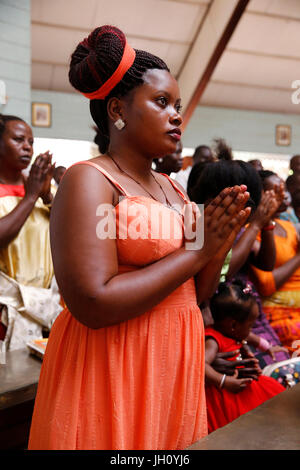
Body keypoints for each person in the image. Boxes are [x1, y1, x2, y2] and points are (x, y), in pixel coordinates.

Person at [28, 25, 250, 451]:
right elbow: (93, 301)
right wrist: (198, 249)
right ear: (118, 109)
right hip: (114, 363)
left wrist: (220, 238)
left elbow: (196, 293)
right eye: (162, 102)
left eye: (178, 105)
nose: (177, 115)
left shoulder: (175, 189)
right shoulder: (90, 180)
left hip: (172, 362)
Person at [191, 160, 290, 369]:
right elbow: (222, 274)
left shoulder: (242, 230)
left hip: (248, 316)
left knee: (281, 365)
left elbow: (266, 263)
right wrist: (256, 224)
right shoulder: (200, 229)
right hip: (221, 319)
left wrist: (267, 221)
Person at [0, 114, 62, 350]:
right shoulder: (30, 191)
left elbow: (67, 233)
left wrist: (47, 196)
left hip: (44, 304)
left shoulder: (37, 187)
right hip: (6, 309)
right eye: (18, 139)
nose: (27, 146)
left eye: (31, 142)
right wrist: (31, 196)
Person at [205, 280, 285, 433]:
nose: (251, 330)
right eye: (250, 325)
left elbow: (250, 336)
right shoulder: (213, 340)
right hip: (225, 393)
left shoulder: (231, 331)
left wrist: (267, 347)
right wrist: (224, 381)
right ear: (234, 325)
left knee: (274, 393)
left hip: (241, 383)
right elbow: (201, 365)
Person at [250, 170, 300, 351]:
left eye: (285, 189)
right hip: (279, 314)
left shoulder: (289, 226)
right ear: (260, 195)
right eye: (276, 190)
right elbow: (265, 284)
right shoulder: (250, 230)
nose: (285, 195)